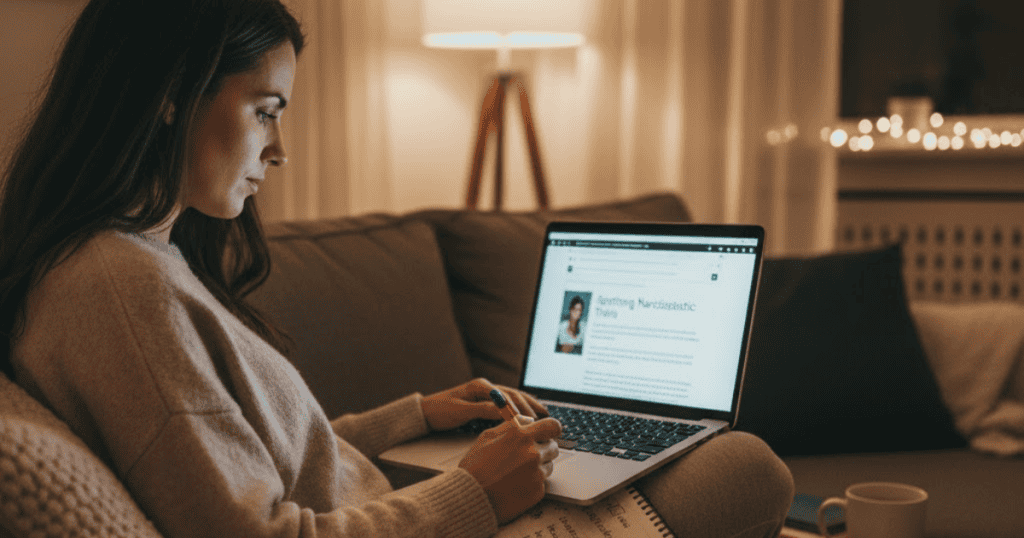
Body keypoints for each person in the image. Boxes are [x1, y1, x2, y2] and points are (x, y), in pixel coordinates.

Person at [0, 1, 793, 537]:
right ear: (172, 94)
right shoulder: (117, 285)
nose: (279, 149)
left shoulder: (126, 263)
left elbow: (254, 457)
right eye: (266, 111)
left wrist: (413, 416)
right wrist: (474, 492)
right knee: (744, 466)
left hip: (411, 512)